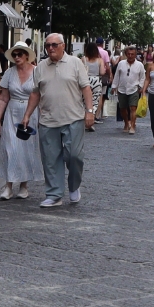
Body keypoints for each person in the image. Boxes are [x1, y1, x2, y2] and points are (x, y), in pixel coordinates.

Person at [33, 33, 95, 207]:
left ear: (63, 46)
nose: (50, 48)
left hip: (73, 117)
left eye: (54, 45)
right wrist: (27, 115)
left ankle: (74, 186)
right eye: (47, 45)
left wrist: (90, 111)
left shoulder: (75, 63)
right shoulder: (40, 67)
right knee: (50, 159)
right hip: (48, 119)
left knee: (74, 155)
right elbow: (35, 93)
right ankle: (54, 194)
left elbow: (86, 88)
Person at [0, 43, 39, 201]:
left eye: (20, 54)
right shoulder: (9, 73)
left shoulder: (36, 72)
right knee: (10, 148)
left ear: (27, 55)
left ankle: (24, 185)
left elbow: (41, 95)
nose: (17, 57)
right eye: (14, 55)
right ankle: (8, 186)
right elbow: (3, 98)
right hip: (12, 113)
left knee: (26, 149)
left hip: (31, 113)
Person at [111, 46, 144, 134]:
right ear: (126, 54)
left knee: (133, 108)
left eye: (132, 54)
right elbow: (117, 75)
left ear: (135, 55)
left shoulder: (139, 65)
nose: (130, 56)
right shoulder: (121, 63)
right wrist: (114, 86)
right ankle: (126, 123)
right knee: (122, 108)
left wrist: (140, 87)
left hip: (134, 89)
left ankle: (132, 126)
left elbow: (142, 77)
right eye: (128, 54)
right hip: (122, 89)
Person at [81, 40, 107, 132]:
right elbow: (102, 72)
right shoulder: (99, 60)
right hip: (96, 81)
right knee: (95, 100)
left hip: (85, 80)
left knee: (84, 100)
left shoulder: (83, 59)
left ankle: (85, 119)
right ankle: (92, 119)